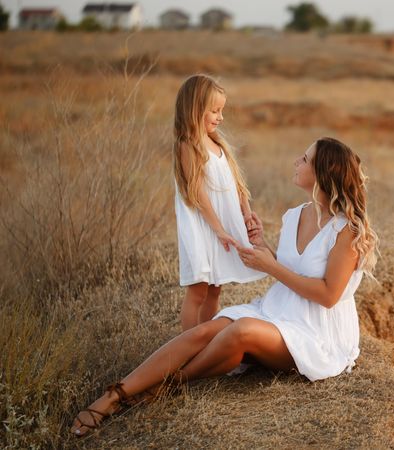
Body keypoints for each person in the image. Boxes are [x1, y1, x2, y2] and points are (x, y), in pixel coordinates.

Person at [70, 137, 378, 437]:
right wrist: (263, 248)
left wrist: (270, 265)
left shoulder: (347, 230)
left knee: (241, 330)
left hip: (316, 332)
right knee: (206, 331)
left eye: (305, 159)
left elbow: (327, 295)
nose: (297, 162)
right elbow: (293, 269)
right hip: (278, 311)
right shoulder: (295, 214)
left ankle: (162, 387)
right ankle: (114, 395)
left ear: (323, 174)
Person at [173, 74, 265, 331]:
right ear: (195, 110)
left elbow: (236, 184)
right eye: (214, 111)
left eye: (221, 110)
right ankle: (188, 345)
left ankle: (207, 339)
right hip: (204, 227)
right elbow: (198, 194)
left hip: (221, 228)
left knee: (215, 289)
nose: (220, 117)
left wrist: (246, 213)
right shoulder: (188, 146)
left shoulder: (217, 143)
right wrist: (219, 230)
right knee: (198, 291)